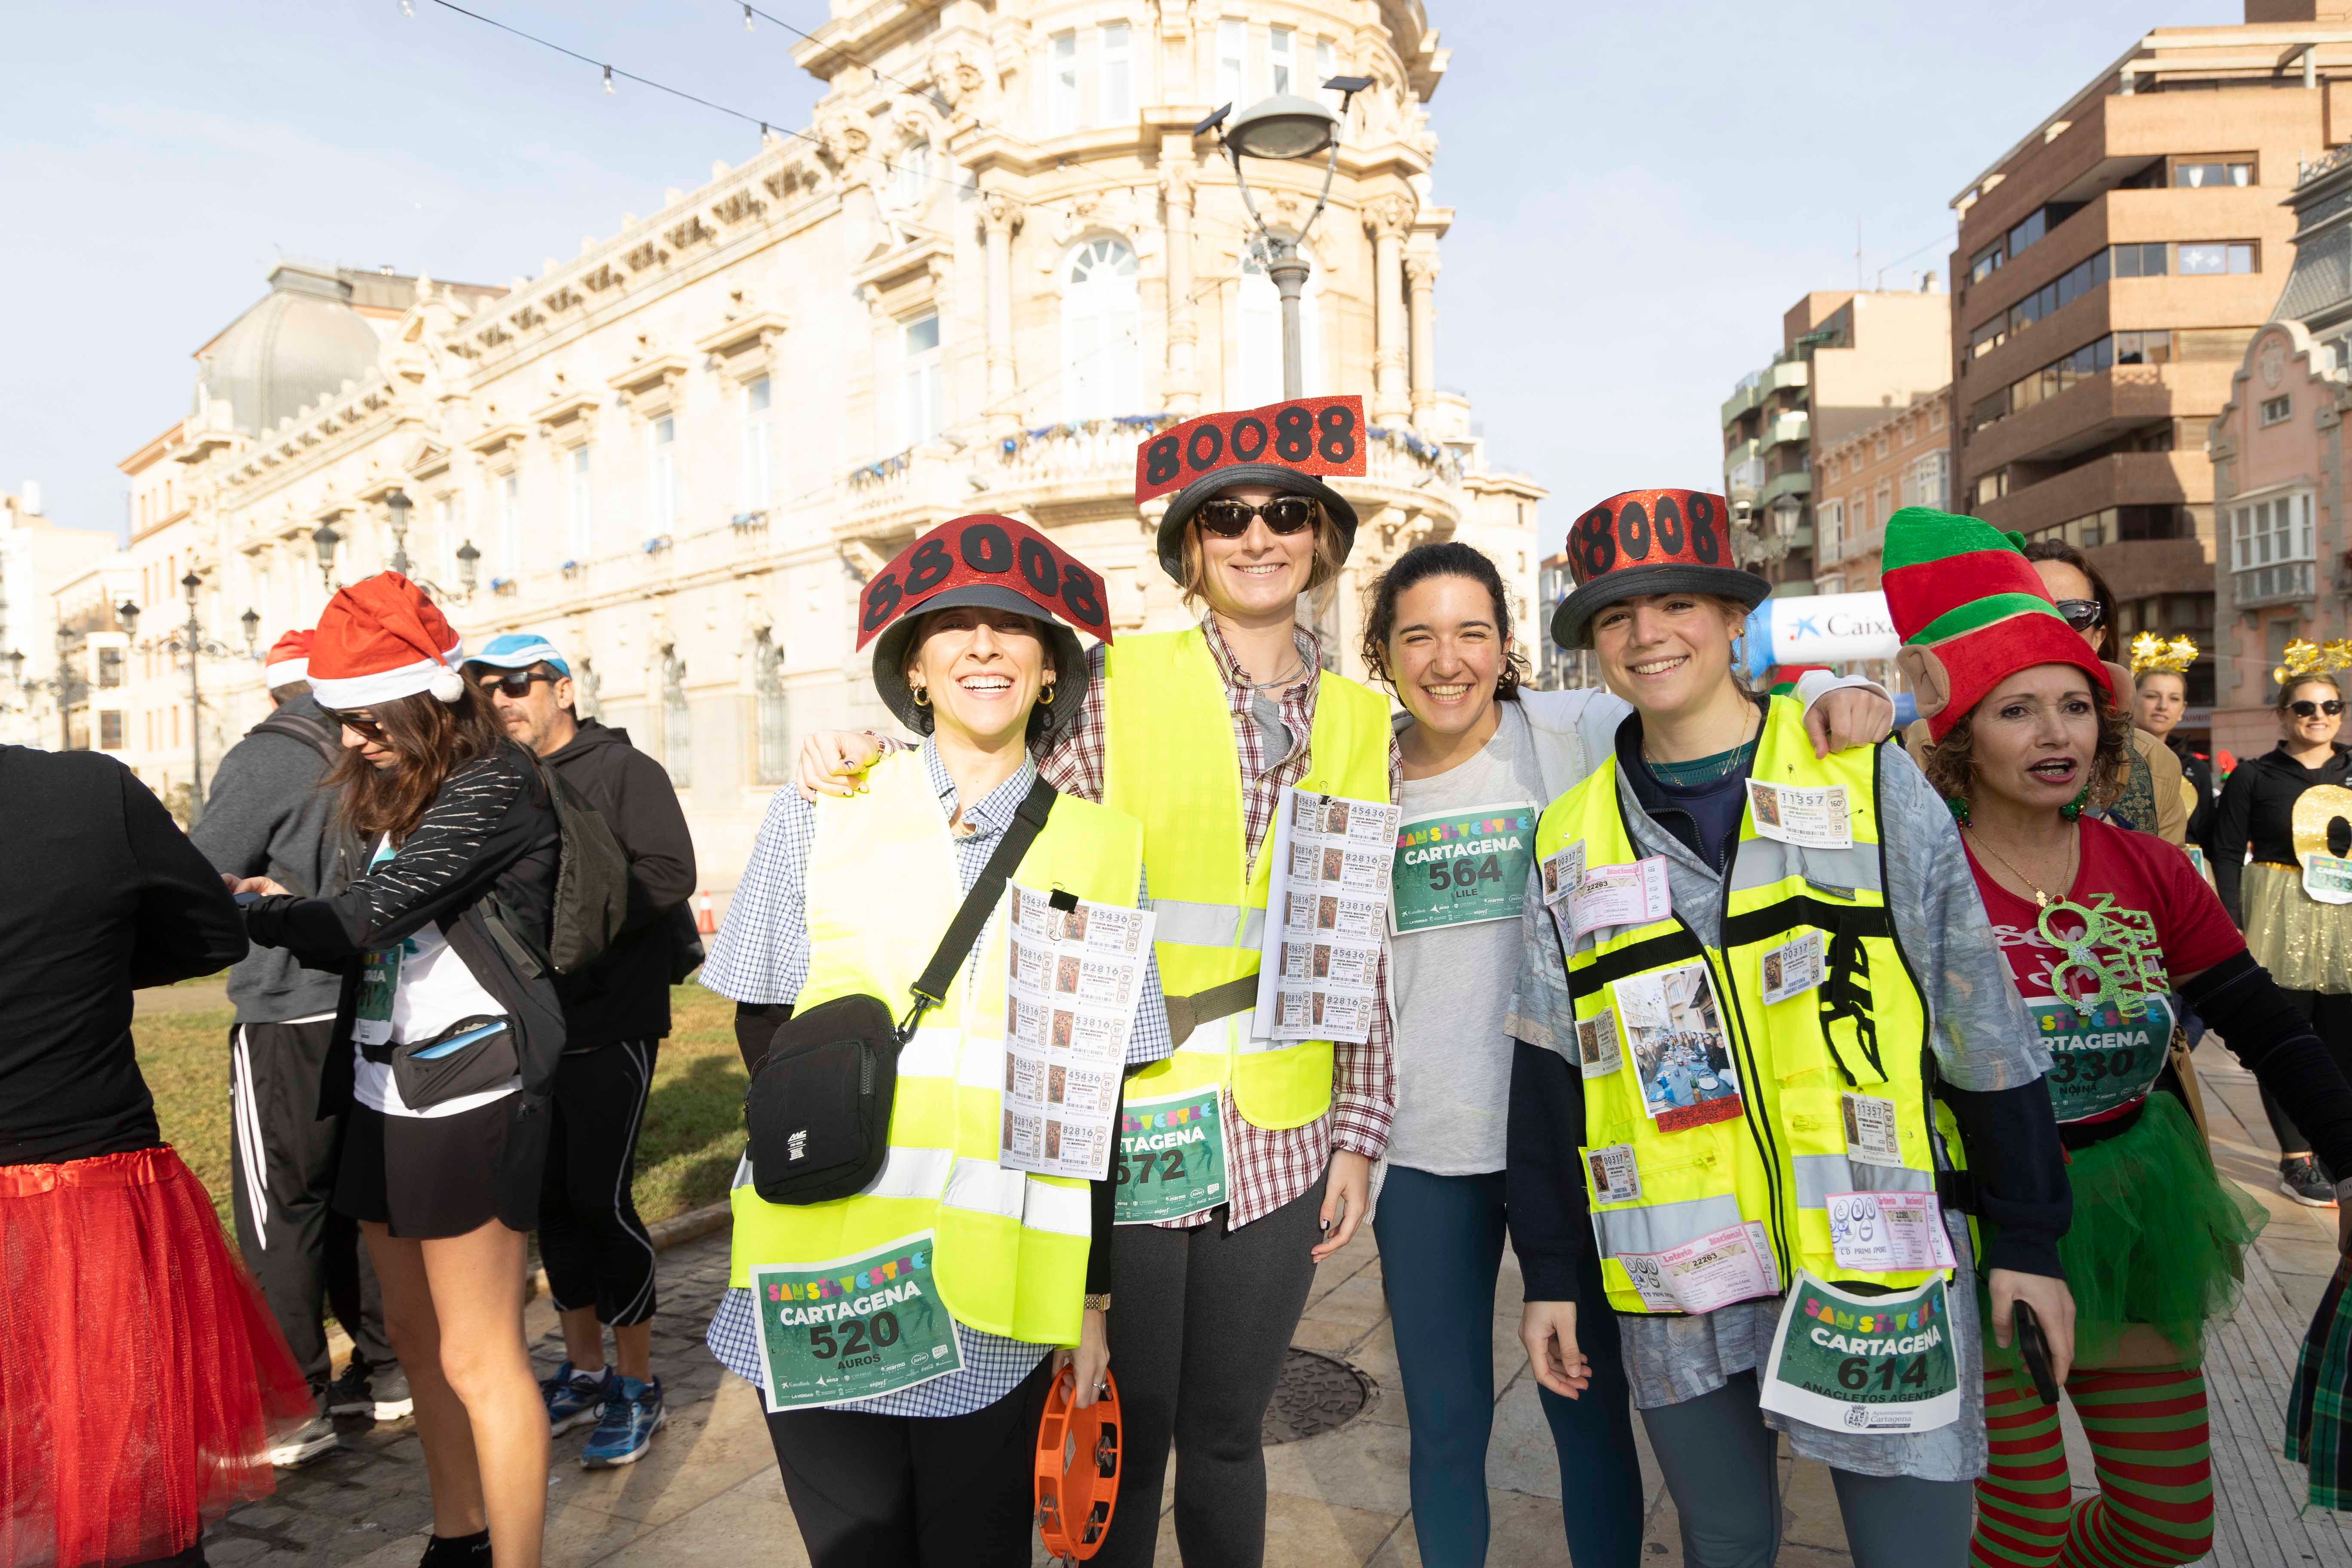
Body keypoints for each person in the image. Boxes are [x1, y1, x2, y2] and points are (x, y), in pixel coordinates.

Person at [793, 397, 1395, 1568]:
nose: (1258, 535)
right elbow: (1002, 811)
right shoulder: (1124, 684)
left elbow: (1360, 936)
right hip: (1130, 1122)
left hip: (1284, 1124)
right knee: (1129, 1423)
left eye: (1286, 514)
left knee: (1230, 1435)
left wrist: (1361, 1131)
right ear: (1190, 552)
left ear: (1322, 539)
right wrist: (873, 760)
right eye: (1226, 519)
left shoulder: (1369, 719)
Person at [1509, 488, 2076, 1568]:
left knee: (1910, 1545)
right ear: (1591, 648)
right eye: (1614, 617)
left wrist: (2026, 1236)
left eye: (1675, 603)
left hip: (1879, 1254)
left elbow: (1977, 1020)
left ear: (1732, 621)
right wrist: (1550, 1271)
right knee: (1722, 1541)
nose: (1646, 635)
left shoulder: (1863, 778)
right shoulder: (1567, 837)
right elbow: (1549, 1075)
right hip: (1676, 1268)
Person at [1358, 540, 1894, 1568]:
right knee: (1443, 1420)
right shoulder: (1359, 777)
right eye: (1416, 636)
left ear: (1506, 645)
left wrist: (1833, 685)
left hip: (1582, 1142)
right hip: (1425, 1147)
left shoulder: (1569, 731)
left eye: (1471, 632)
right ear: (1381, 651)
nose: (1445, 660)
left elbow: (1710, 698)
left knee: (1590, 1414)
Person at [1877, 505, 2352, 1568]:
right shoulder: (1908, 873)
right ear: (1959, 736)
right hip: (1978, 1225)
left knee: (2167, 1526)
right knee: (2025, 1521)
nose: (2053, 735)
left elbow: (2267, 1029)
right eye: (2015, 710)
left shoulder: (2142, 869)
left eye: (2072, 707)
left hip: (2139, 1203)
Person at [701, 514, 1167, 1567]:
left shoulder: (1100, 849)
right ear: (913, 668)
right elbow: (762, 1023)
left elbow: (1093, 1103)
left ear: (1051, 671)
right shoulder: (822, 806)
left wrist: (1093, 1304)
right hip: (827, 1276)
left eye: (1013, 628)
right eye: (950, 627)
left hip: (990, 1307)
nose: (984, 647)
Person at [231, 573, 563, 1568]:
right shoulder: (396, 795)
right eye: (340, 722)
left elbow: (365, 920)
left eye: (366, 721)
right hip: (382, 1083)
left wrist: (254, 906)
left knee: (477, 1352)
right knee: (415, 1342)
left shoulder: (496, 784)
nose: (349, 742)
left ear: (427, 700)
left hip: (469, 1086)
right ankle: (457, 1534)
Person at [1, 742, 311, 1568]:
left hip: (84, 1182)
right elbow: (212, 932)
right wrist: (89, 960)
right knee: (130, 1489)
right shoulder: (86, 789)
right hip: (89, 1190)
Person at [462, 631, 696, 1469]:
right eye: (486, 690)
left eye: (518, 685)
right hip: (531, 1026)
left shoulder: (623, 770)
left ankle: (640, 1384)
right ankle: (586, 1368)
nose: (502, 702)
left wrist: (578, 922)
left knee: (601, 1201)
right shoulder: (498, 783)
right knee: (551, 1207)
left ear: (564, 687)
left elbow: (669, 873)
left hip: (611, 1020)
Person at [193, 627, 406, 1464]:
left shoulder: (266, 756)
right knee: (360, 1198)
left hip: (287, 1008)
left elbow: (202, 874)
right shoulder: (380, 746)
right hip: (375, 1005)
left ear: (274, 689)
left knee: (280, 1211)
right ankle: (388, 1370)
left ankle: (294, 1403)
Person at [2210, 641, 2352, 1208]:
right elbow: (2224, 851)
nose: (2319, 717)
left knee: (2343, 1039)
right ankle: (2296, 1158)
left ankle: (2337, 1147)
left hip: (2344, 922)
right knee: (2283, 1036)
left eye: (2331, 707)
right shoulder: (2254, 775)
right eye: (2305, 708)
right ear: (2283, 716)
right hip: (2276, 912)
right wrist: (2233, 922)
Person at [2017, 539, 2188, 845]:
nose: (2054, 628)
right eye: (2031, 611)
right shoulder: (1936, 747)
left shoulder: (2152, 763)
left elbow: (2169, 886)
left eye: (2074, 614)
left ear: (2098, 637)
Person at [2128, 632, 2216, 854]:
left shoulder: (2196, 769)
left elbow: (2209, 837)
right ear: (2131, 699)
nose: (2163, 706)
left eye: (2174, 699)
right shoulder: (2110, 760)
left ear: (2182, 710)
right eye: (2152, 696)